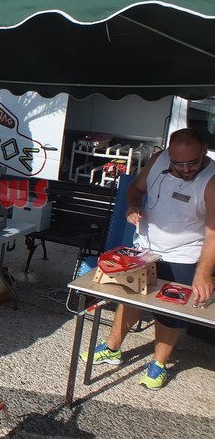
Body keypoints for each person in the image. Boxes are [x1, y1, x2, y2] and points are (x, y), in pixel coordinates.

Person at [81, 128, 215, 389]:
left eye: (192, 163)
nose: (185, 169)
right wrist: (132, 206)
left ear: (204, 150)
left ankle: (158, 364)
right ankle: (112, 348)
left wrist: (203, 273)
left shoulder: (211, 180)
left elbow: (213, 231)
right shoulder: (158, 160)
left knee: (169, 312)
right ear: (168, 154)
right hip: (144, 249)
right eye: (178, 163)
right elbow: (136, 188)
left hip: (183, 256)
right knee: (131, 296)